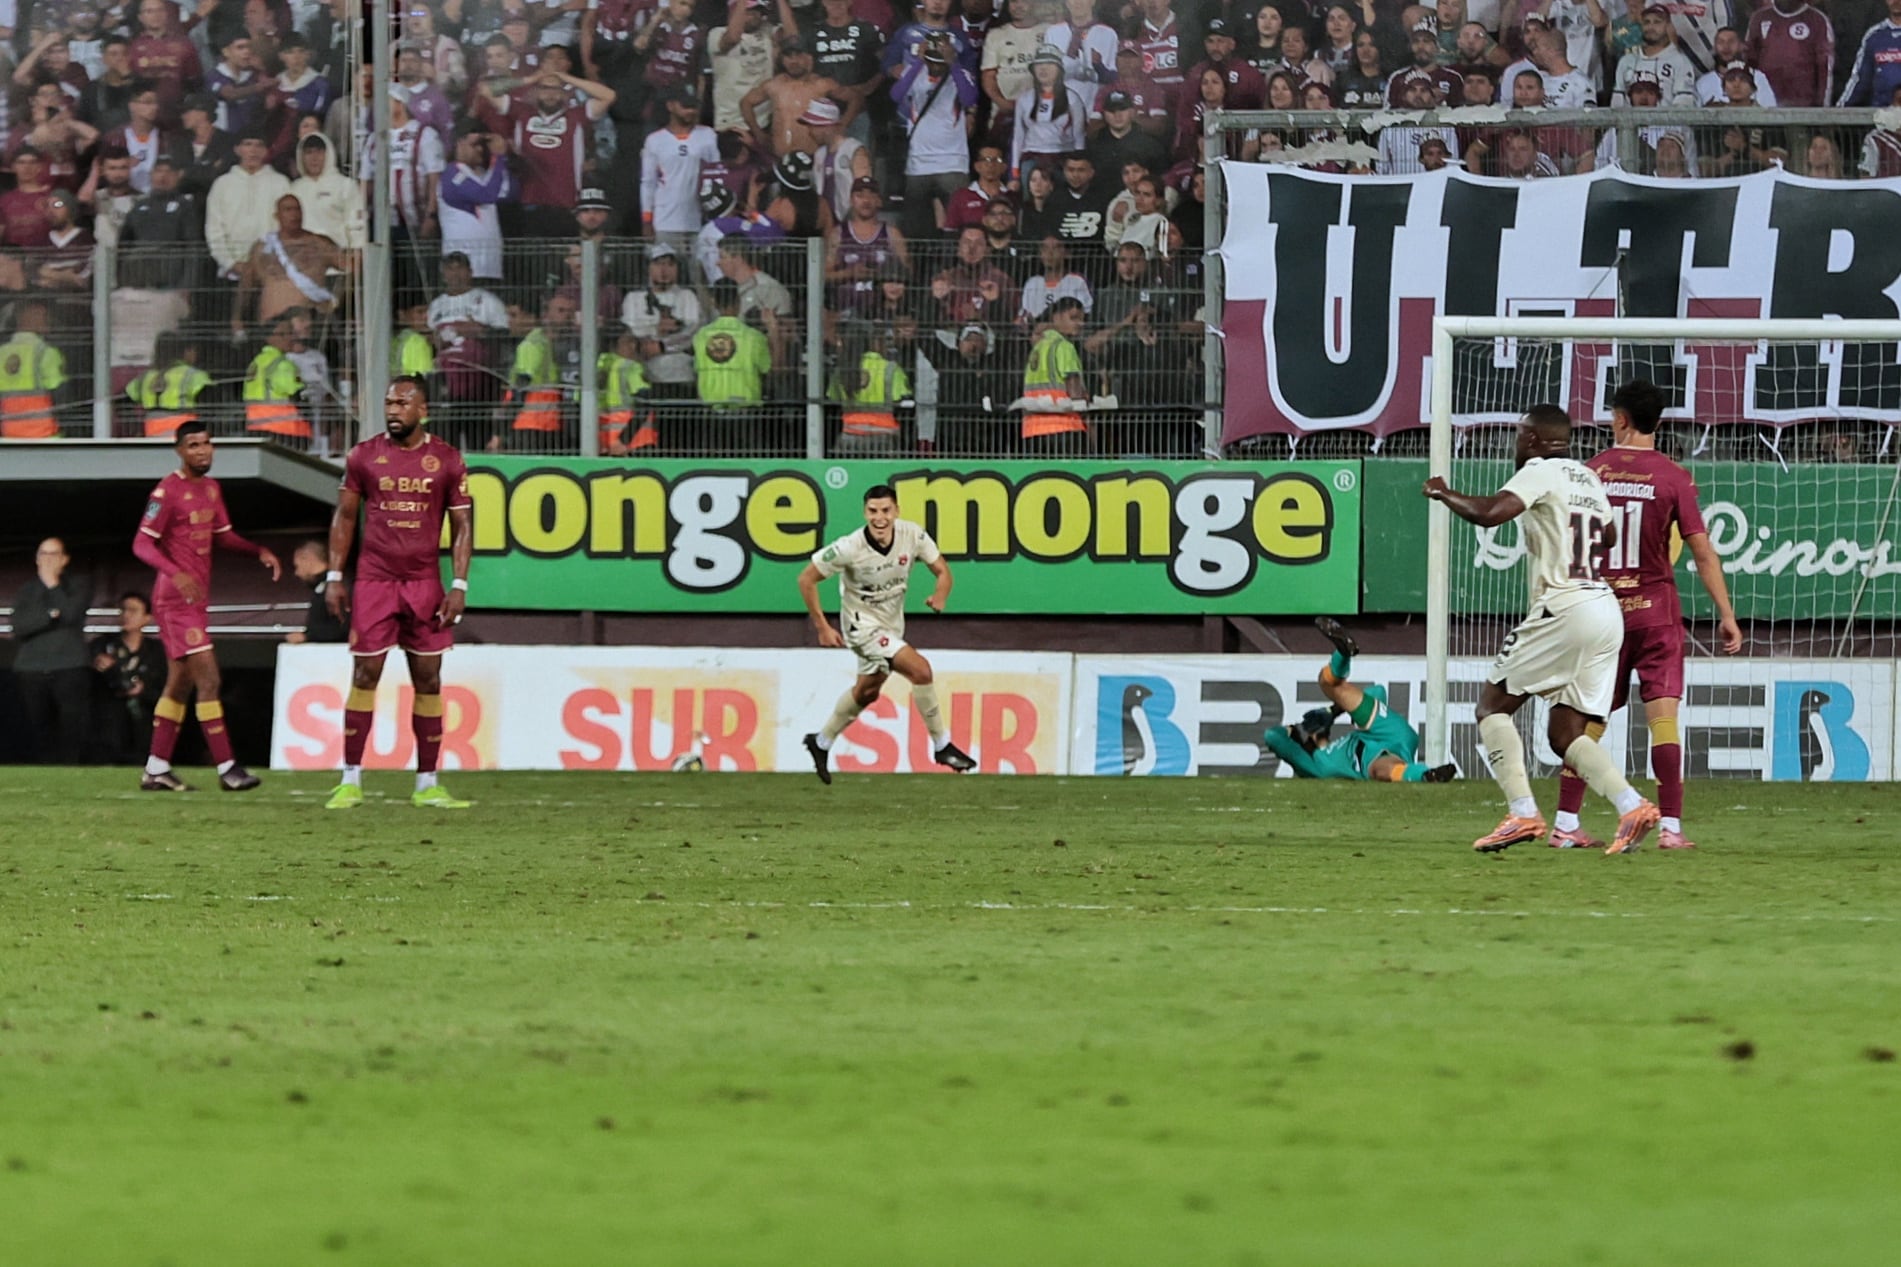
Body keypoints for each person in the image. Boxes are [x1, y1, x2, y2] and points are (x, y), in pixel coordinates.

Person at [1422, 404, 1661, 854]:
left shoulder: (1538, 471)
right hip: (1604, 608)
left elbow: (1492, 512)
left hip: (1565, 604)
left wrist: (1444, 493)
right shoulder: (1587, 477)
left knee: (1492, 708)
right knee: (1564, 735)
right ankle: (1632, 806)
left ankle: (1523, 812)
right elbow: (1608, 537)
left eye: (1518, 435)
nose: (1515, 443)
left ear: (1532, 439)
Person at [1544, 381, 1744, 850]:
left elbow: (1563, 543)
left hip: (1599, 612)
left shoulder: (1590, 472)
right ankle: (1671, 829)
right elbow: (1703, 553)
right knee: (1664, 720)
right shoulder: (1674, 477)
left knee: (1588, 722)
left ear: (1620, 420)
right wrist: (1727, 614)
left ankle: (1566, 823)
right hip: (1655, 612)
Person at [323, 376, 474, 811]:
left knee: (428, 678)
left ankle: (427, 783)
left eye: (403, 403)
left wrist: (459, 584)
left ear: (422, 410)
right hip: (375, 581)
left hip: (424, 583)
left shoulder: (447, 460)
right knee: (365, 674)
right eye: (389, 402)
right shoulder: (363, 456)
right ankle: (350, 779)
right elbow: (345, 517)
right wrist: (334, 575)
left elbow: (462, 525)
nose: (393, 410)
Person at [131, 421, 283, 791]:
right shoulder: (166, 491)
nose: (202, 451)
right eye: (193, 445)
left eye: (206, 443)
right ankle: (228, 768)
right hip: (174, 601)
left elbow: (222, 536)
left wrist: (257, 551)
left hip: (195, 601)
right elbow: (141, 543)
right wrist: (176, 573)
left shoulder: (212, 488)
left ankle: (156, 768)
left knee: (179, 684)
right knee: (210, 679)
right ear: (179, 451)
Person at [798, 483, 977, 782]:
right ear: (864, 512)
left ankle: (821, 741)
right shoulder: (849, 547)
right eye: (873, 511)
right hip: (861, 627)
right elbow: (806, 579)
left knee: (867, 692)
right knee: (921, 670)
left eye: (885, 510)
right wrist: (822, 627)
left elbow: (943, 571)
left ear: (896, 511)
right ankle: (942, 745)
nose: (879, 518)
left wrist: (941, 595)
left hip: (892, 625)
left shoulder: (912, 535)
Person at [1263, 618, 1458, 783]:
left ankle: (1343, 653)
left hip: (1387, 731)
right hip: (1387, 753)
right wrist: (1298, 729)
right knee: (1380, 770)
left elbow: (1377, 692)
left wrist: (1333, 712)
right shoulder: (1315, 766)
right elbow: (1272, 736)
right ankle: (1427, 775)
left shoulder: (1352, 735)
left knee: (1329, 684)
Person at [11, 537, 93, 764]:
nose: (47, 559)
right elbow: (19, 626)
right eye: (43, 554)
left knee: (72, 726)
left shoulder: (79, 585)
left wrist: (53, 585)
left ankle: (72, 771)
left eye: (53, 554)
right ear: (36, 559)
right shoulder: (26, 590)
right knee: (39, 728)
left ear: (64, 559)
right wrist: (51, 615)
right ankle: (44, 771)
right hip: (31, 669)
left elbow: (71, 613)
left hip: (70, 667)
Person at [89, 590, 165, 765]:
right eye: (123, 609)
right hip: (109, 720)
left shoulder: (157, 651)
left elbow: (163, 685)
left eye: (133, 610)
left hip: (144, 720)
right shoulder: (102, 645)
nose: (126, 615)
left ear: (147, 618)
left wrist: (143, 689)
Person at [1020, 294, 1089, 452]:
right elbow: (1074, 392)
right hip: (1064, 427)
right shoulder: (1064, 346)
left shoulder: (1037, 348)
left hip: (1033, 428)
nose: (1081, 324)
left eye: (1082, 319)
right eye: (1074, 318)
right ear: (1056, 317)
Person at [126, 332, 210, 437]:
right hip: (184, 431)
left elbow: (123, 400)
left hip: (152, 432)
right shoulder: (193, 375)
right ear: (183, 351)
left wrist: (134, 429)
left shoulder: (145, 376)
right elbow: (211, 403)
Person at [1613, 5, 1698, 106]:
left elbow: (1684, 104)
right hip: (1630, 117)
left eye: (1657, 22)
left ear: (1668, 26)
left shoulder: (1680, 62)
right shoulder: (1626, 61)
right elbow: (1617, 103)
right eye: (1646, 22)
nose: (1651, 27)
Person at [1838, 0, 1901, 106]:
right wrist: (1840, 109)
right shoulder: (1874, 35)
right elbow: (1859, 79)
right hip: (1881, 112)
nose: (1896, 1)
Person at [286, 539, 348, 644]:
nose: (296, 573)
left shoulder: (336, 588)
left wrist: (308, 637)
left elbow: (345, 627)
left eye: (297, 566)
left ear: (307, 559)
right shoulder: (321, 588)